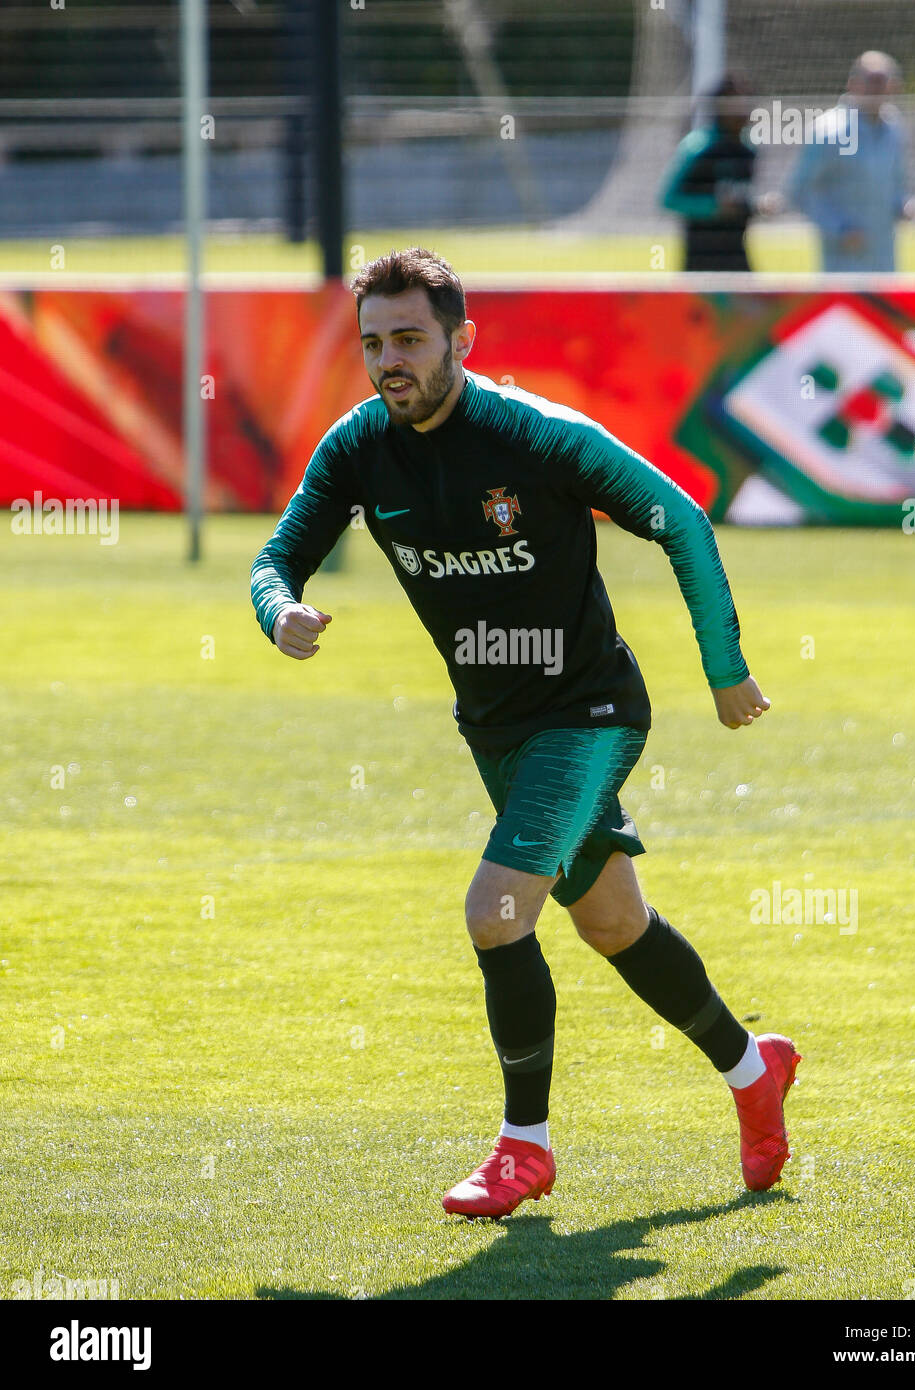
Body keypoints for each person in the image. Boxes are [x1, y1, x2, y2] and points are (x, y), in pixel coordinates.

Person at [250, 247, 800, 1220]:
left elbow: (678, 517)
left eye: (411, 338)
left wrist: (725, 669)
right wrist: (279, 609)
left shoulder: (537, 438)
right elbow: (277, 556)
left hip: (589, 714)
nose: (389, 361)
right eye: (374, 341)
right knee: (612, 924)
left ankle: (524, 1149)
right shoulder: (357, 448)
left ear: (462, 339)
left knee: (495, 909)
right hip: (493, 730)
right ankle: (754, 1068)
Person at [788, 51, 915, 272]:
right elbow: (801, 191)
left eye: (883, 82)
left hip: (884, 261)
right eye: (872, 82)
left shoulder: (895, 129)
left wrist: (903, 205)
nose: (878, 90)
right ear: (854, 84)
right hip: (843, 265)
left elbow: (898, 182)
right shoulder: (828, 132)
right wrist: (839, 228)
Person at [659, 72, 771, 272]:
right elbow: (668, 199)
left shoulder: (748, 150)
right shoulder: (699, 147)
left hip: (738, 258)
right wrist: (713, 207)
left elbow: (738, 198)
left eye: (746, 102)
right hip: (701, 260)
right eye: (735, 103)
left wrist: (756, 207)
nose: (742, 110)